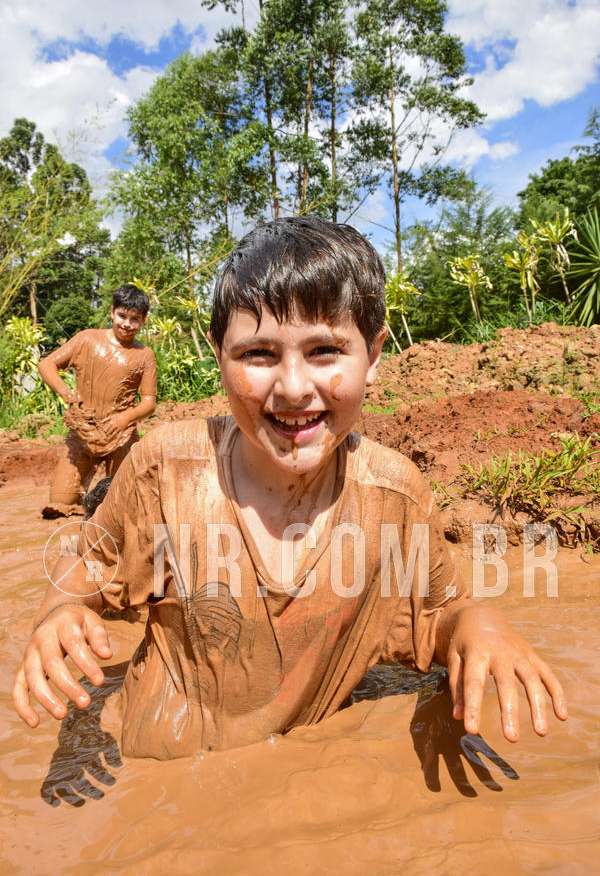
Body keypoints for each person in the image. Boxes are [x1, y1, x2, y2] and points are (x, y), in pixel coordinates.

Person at [13, 218, 567, 759]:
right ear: (218, 355)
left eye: (325, 351)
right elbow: (86, 562)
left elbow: (437, 614)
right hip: (156, 759)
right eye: (258, 354)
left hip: (301, 784)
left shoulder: (396, 496)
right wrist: (58, 613)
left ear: (373, 355)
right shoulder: (166, 468)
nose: (294, 388)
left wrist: (480, 623)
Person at [38, 285, 157, 516]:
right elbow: (46, 364)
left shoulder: (145, 355)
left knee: (124, 503)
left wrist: (125, 418)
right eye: (122, 316)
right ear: (112, 312)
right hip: (81, 436)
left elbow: (149, 402)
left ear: (143, 321)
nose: (127, 324)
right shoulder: (86, 339)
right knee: (58, 504)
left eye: (135, 319)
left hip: (121, 437)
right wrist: (65, 392)